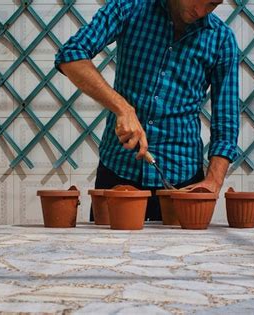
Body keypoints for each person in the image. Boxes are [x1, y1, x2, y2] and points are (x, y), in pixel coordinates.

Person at [55, 0, 240, 221]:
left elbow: (226, 121)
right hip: (118, 171)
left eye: (211, 5)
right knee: (106, 253)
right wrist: (122, 108)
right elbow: (71, 55)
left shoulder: (221, 39)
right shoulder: (129, 7)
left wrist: (213, 181)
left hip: (182, 182)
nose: (200, 11)